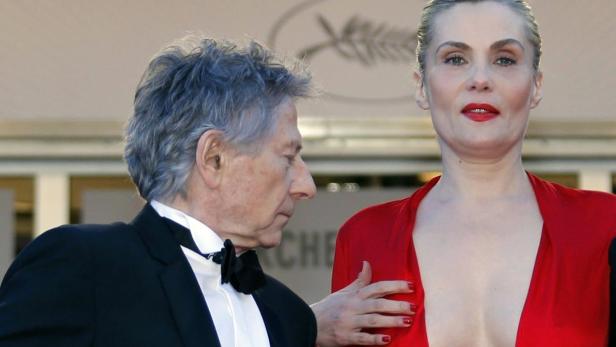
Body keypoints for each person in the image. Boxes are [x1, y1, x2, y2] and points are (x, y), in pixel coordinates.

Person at [0, 37, 319, 347]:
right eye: (288, 157)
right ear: (213, 158)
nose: (307, 187)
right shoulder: (84, 266)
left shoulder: (288, 316)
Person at [331, 0, 616, 346]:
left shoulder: (605, 226)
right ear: (421, 85)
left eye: (504, 59)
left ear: (536, 85)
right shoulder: (364, 238)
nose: (480, 79)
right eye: (455, 59)